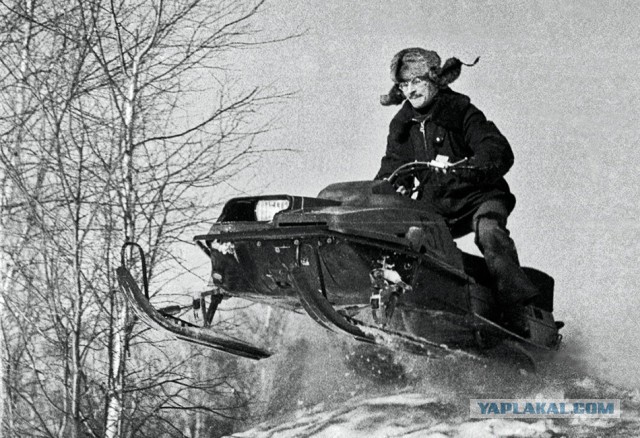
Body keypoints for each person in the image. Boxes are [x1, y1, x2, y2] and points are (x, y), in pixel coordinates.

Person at [375, 47, 540, 337]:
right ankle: (405, 310)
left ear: (434, 80)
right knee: (404, 238)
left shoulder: (460, 111)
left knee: (489, 232)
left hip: (479, 196)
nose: (410, 90)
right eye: (404, 84)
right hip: (436, 204)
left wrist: (470, 167)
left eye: (416, 81)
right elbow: (391, 166)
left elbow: (496, 149)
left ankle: (515, 314)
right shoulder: (402, 125)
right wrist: (385, 189)